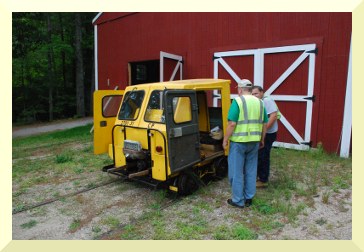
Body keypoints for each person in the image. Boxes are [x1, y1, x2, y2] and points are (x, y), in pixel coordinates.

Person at [223, 79, 268, 208]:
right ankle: (249, 198)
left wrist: (225, 139)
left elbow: (232, 123)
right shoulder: (260, 102)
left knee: (236, 172)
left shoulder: (237, 101)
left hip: (239, 143)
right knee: (251, 170)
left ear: (240, 89)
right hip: (254, 142)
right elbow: (264, 123)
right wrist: (262, 138)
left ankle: (238, 200)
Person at [252, 85, 280, 188]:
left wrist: (264, 131)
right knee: (260, 155)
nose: (254, 95)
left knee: (263, 156)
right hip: (262, 133)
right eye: (252, 94)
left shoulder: (267, 101)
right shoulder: (257, 102)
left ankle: (263, 180)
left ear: (262, 92)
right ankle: (258, 176)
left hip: (268, 134)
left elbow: (273, 116)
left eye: (256, 93)